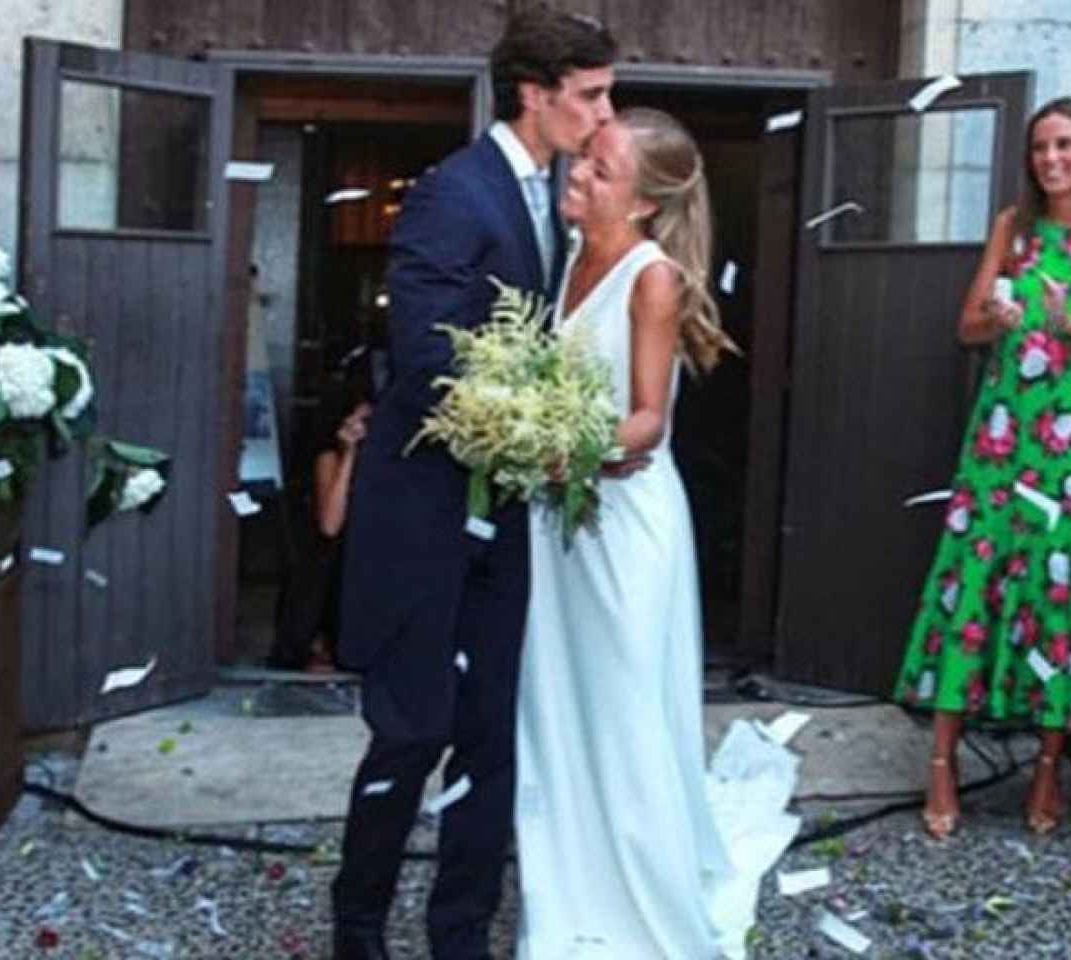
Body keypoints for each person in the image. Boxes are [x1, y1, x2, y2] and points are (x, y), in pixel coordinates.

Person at [328, 11, 615, 960]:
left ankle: (460, 936)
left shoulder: (555, 196)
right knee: (412, 733)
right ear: (535, 95)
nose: (606, 114)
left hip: (508, 521)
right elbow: (426, 358)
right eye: (592, 95)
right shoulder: (456, 193)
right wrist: (536, 426)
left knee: (492, 735)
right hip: (423, 519)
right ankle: (358, 926)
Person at [514, 108, 761, 959]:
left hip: (624, 521)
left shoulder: (651, 277)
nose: (578, 173)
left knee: (622, 707)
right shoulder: (571, 259)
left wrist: (558, 448)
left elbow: (647, 423)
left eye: (601, 169)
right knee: (559, 701)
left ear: (646, 204)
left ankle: (639, 899)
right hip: (562, 525)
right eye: (584, 158)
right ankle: (571, 872)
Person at [895, 97, 1071, 839]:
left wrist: (1070, 321)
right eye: (1041, 148)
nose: (1052, 160)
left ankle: (1047, 768)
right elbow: (966, 324)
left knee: (1064, 601)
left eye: (1065, 145)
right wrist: (1001, 319)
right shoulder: (1014, 227)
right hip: (1008, 444)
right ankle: (942, 764)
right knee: (972, 586)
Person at [269, 365, 374, 673]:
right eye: (361, 419)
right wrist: (349, 456)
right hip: (331, 566)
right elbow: (330, 523)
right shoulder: (329, 457)